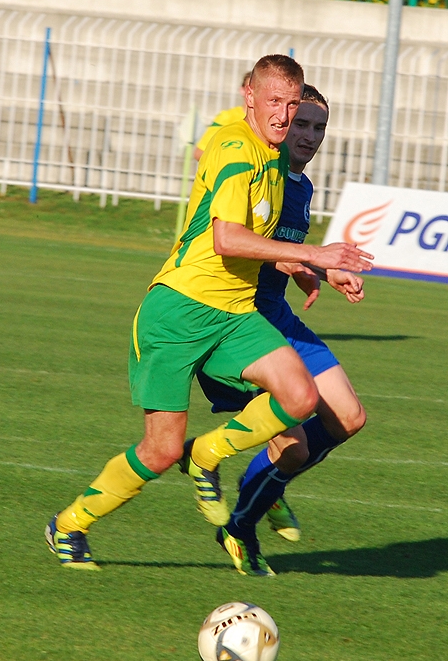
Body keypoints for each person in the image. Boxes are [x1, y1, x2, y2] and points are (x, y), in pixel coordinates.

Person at [44, 56, 372, 570]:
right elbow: (226, 238)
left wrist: (312, 266)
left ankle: (214, 460)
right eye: (279, 105)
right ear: (248, 96)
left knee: (302, 397)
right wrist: (315, 256)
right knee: (160, 451)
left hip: (236, 313)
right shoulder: (237, 146)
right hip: (179, 311)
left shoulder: (276, 165)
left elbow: (265, 243)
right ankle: (69, 525)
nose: (288, 119)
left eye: (297, 108)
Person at [197, 85, 368, 577]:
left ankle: (266, 488)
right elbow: (236, 240)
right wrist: (310, 258)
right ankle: (242, 526)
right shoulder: (260, 170)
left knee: (349, 418)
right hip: (241, 321)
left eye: (319, 128)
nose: (310, 136)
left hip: (279, 316)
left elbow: (276, 243)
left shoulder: (302, 184)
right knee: (293, 446)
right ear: (280, 121)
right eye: (302, 124)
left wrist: (312, 268)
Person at [193, 71, 251, 161]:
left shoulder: (270, 121)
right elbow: (200, 153)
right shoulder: (227, 117)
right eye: (249, 89)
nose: (253, 92)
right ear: (242, 91)